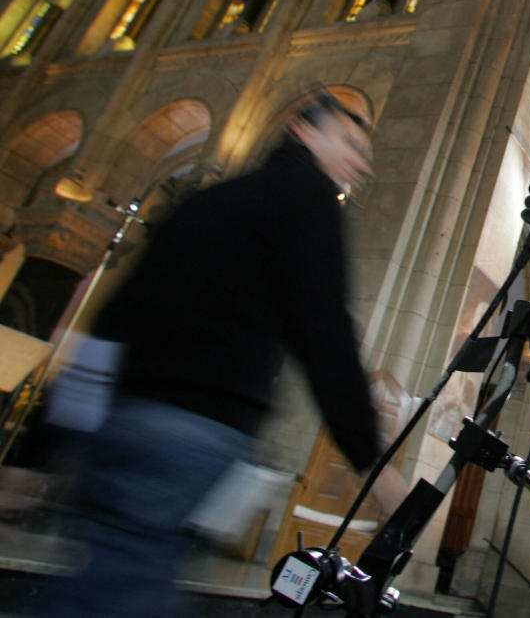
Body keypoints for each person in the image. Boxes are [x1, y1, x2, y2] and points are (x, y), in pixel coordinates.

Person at [43, 94, 407, 617]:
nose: (361, 162)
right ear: (303, 132)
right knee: (122, 589)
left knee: (117, 573)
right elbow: (325, 335)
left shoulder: (208, 202)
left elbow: (111, 322)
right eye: (349, 143)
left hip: (124, 425)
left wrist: (48, 441)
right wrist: (373, 465)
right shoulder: (306, 200)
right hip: (195, 434)